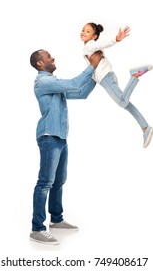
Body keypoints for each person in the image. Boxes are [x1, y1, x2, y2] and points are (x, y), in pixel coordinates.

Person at [29, 49, 102, 245]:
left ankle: (57, 219)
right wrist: (91, 66)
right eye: (48, 57)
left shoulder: (54, 84)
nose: (53, 58)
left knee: (59, 181)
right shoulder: (44, 82)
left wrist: (97, 75)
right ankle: (37, 228)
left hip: (60, 138)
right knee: (45, 182)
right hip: (49, 137)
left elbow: (80, 92)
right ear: (40, 64)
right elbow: (74, 83)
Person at [80, 22, 153, 148]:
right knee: (127, 104)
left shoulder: (90, 45)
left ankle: (135, 75)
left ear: (94, 36)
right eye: (83, 30)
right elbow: (93, 65)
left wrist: (115, 39)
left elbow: (101, 44)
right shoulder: (90, 47)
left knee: (122, 102)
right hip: (108, 77)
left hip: (106, 78)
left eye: (88, 31)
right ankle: (145, 128)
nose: (83, 32)